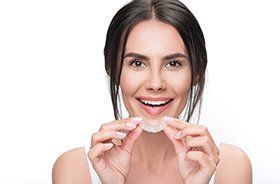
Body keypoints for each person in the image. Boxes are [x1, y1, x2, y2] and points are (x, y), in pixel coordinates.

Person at [52, 0, 252, 183]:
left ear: (197, 72)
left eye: (173, 63)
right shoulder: (75, 169)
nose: (155, 83)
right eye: (137, 63)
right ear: (113, 71)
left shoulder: (230, 166)